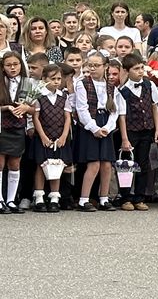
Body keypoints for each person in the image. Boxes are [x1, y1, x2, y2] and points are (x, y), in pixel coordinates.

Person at [73, 51, 123, 211]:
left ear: (105, 66)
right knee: (93, 163)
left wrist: (108, 128)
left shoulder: (111, 86)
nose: (93, 68)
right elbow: (82, 109)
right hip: (91, 124)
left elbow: (114, 110)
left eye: (96, 65)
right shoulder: (83, 83)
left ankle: (104, 198)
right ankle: (83, 199)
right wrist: (93, 127)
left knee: (107, 164)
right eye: (90, 65)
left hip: (105, 123)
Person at [117, 53, 158, 211]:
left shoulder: (149, 85)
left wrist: (157, 129)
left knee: (144, 164)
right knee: (127, 165)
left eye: (142, 68)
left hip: (147, 130)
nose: (140, 71)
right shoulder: (122, 91)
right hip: (130, 131)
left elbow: (154, 106)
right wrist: (124, 138)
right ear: (127, 71)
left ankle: (139, 197)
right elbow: (122, 116)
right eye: (136, 69)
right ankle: (125, 198)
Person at [28, 63, 71, 212]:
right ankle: (39, 197)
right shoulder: (39, 95)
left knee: (56, 166)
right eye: (53, 78)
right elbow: (36, 118)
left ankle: (54, 197)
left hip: (59, 137)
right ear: (44, 79)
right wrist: (43, 136)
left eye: (59, 78)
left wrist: (64, 136)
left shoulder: (64, 96)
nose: (57, 81)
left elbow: (67, 118)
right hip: (44, 136)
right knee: (41, 165)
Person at [0, 52, 32, 211]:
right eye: (8, 65)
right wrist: (6, 107)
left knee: (14, 163)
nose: (12, 68)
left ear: (21, 65)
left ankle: (11, 200)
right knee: (0, 162)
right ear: (3, 67)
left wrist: (27, 108)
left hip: (18, 126)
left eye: (15, 64)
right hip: (2, 125)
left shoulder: (28, 83)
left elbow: (36, 109)